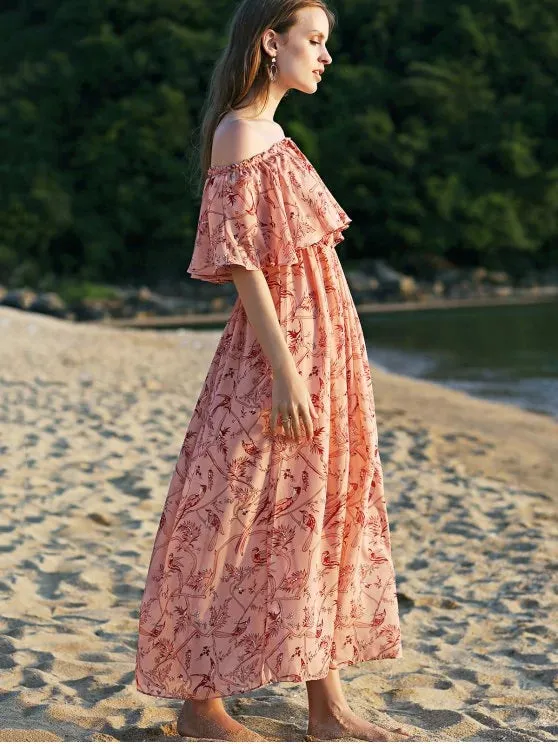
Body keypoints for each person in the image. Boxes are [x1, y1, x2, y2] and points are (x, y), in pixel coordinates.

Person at [135, 1, 411, 741]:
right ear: (270, 41)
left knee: (319, 514)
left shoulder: (277, 135)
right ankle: (200, 704)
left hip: (327, 348)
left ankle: (327, 706)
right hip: (280, 354)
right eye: (313, 41)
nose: (324, 56)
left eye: (325, 43)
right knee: (230, 514)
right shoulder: (238, 133)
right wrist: (287, 372)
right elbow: (244, 265)